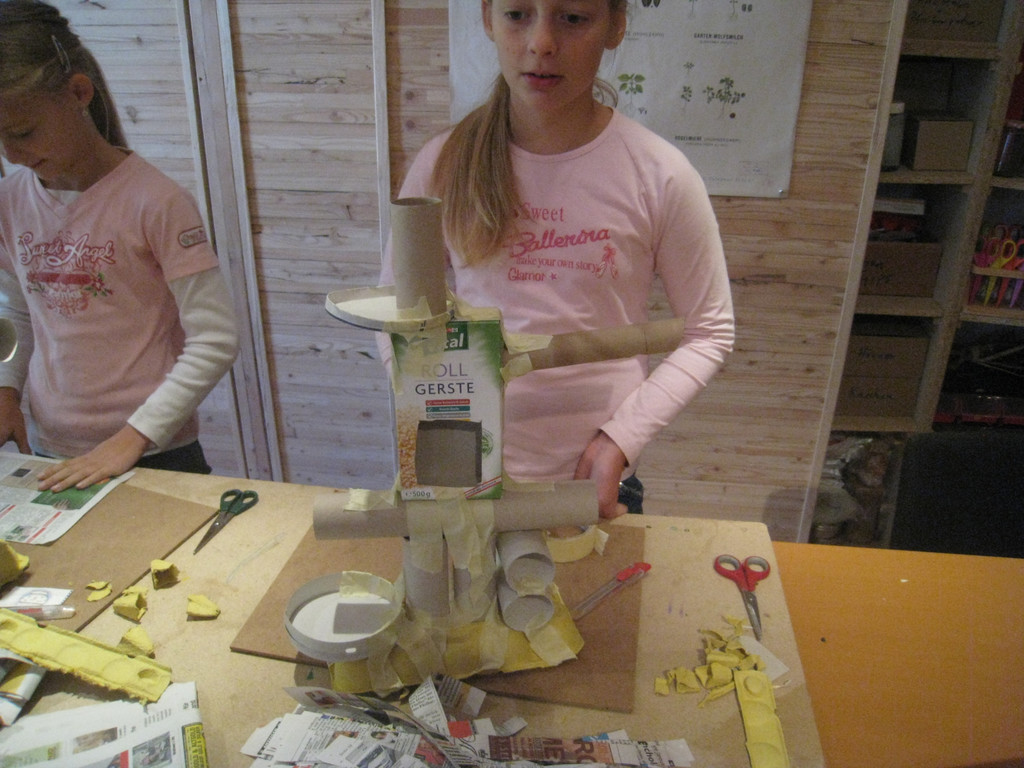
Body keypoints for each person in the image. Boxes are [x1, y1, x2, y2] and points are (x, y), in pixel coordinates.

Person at [381, 0, 734, 519]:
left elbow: (710, 331)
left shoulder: (661, 174)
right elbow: (395, 311)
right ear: (488, 18)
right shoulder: (444, 163)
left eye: (573, 18)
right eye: (518, 14)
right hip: (461, 475)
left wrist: (621, 440)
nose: (542, 43)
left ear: (615, 26)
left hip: (591, 482)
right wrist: (435, 421)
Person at [0, 0, 239, 492]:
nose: (11, 154)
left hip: (155, 454)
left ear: (78, 92)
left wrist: (133, 437)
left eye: (23, 133)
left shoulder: (156, 201)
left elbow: (215, 340)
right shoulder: (10, 201)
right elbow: (20, 310)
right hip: (51, 448)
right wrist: (7, 391)